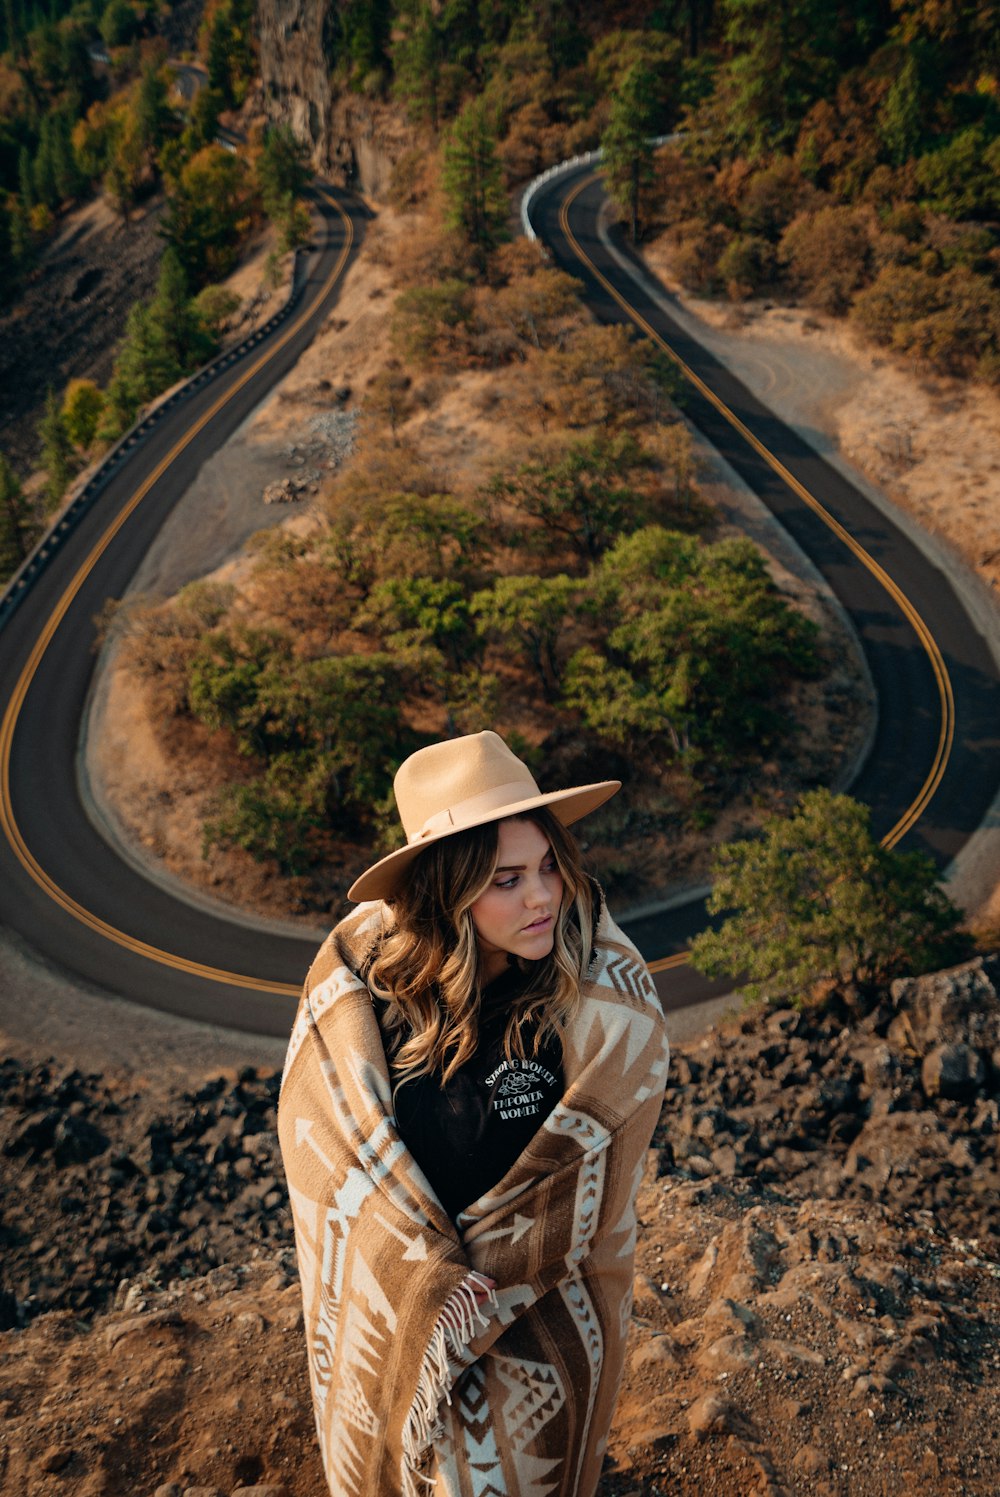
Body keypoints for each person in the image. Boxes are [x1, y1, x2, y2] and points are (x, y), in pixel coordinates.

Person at [278, 730, 669, 1496]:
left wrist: (473, 1288)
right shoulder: (371, 1003)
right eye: (507, 878)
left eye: (550, 865)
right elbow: (330, 1157)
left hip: (538, 1331)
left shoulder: (583, 1000)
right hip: (406, 1325)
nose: (543, 895)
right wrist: (425, 1284)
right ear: (446, 889)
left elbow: (589, 1180)